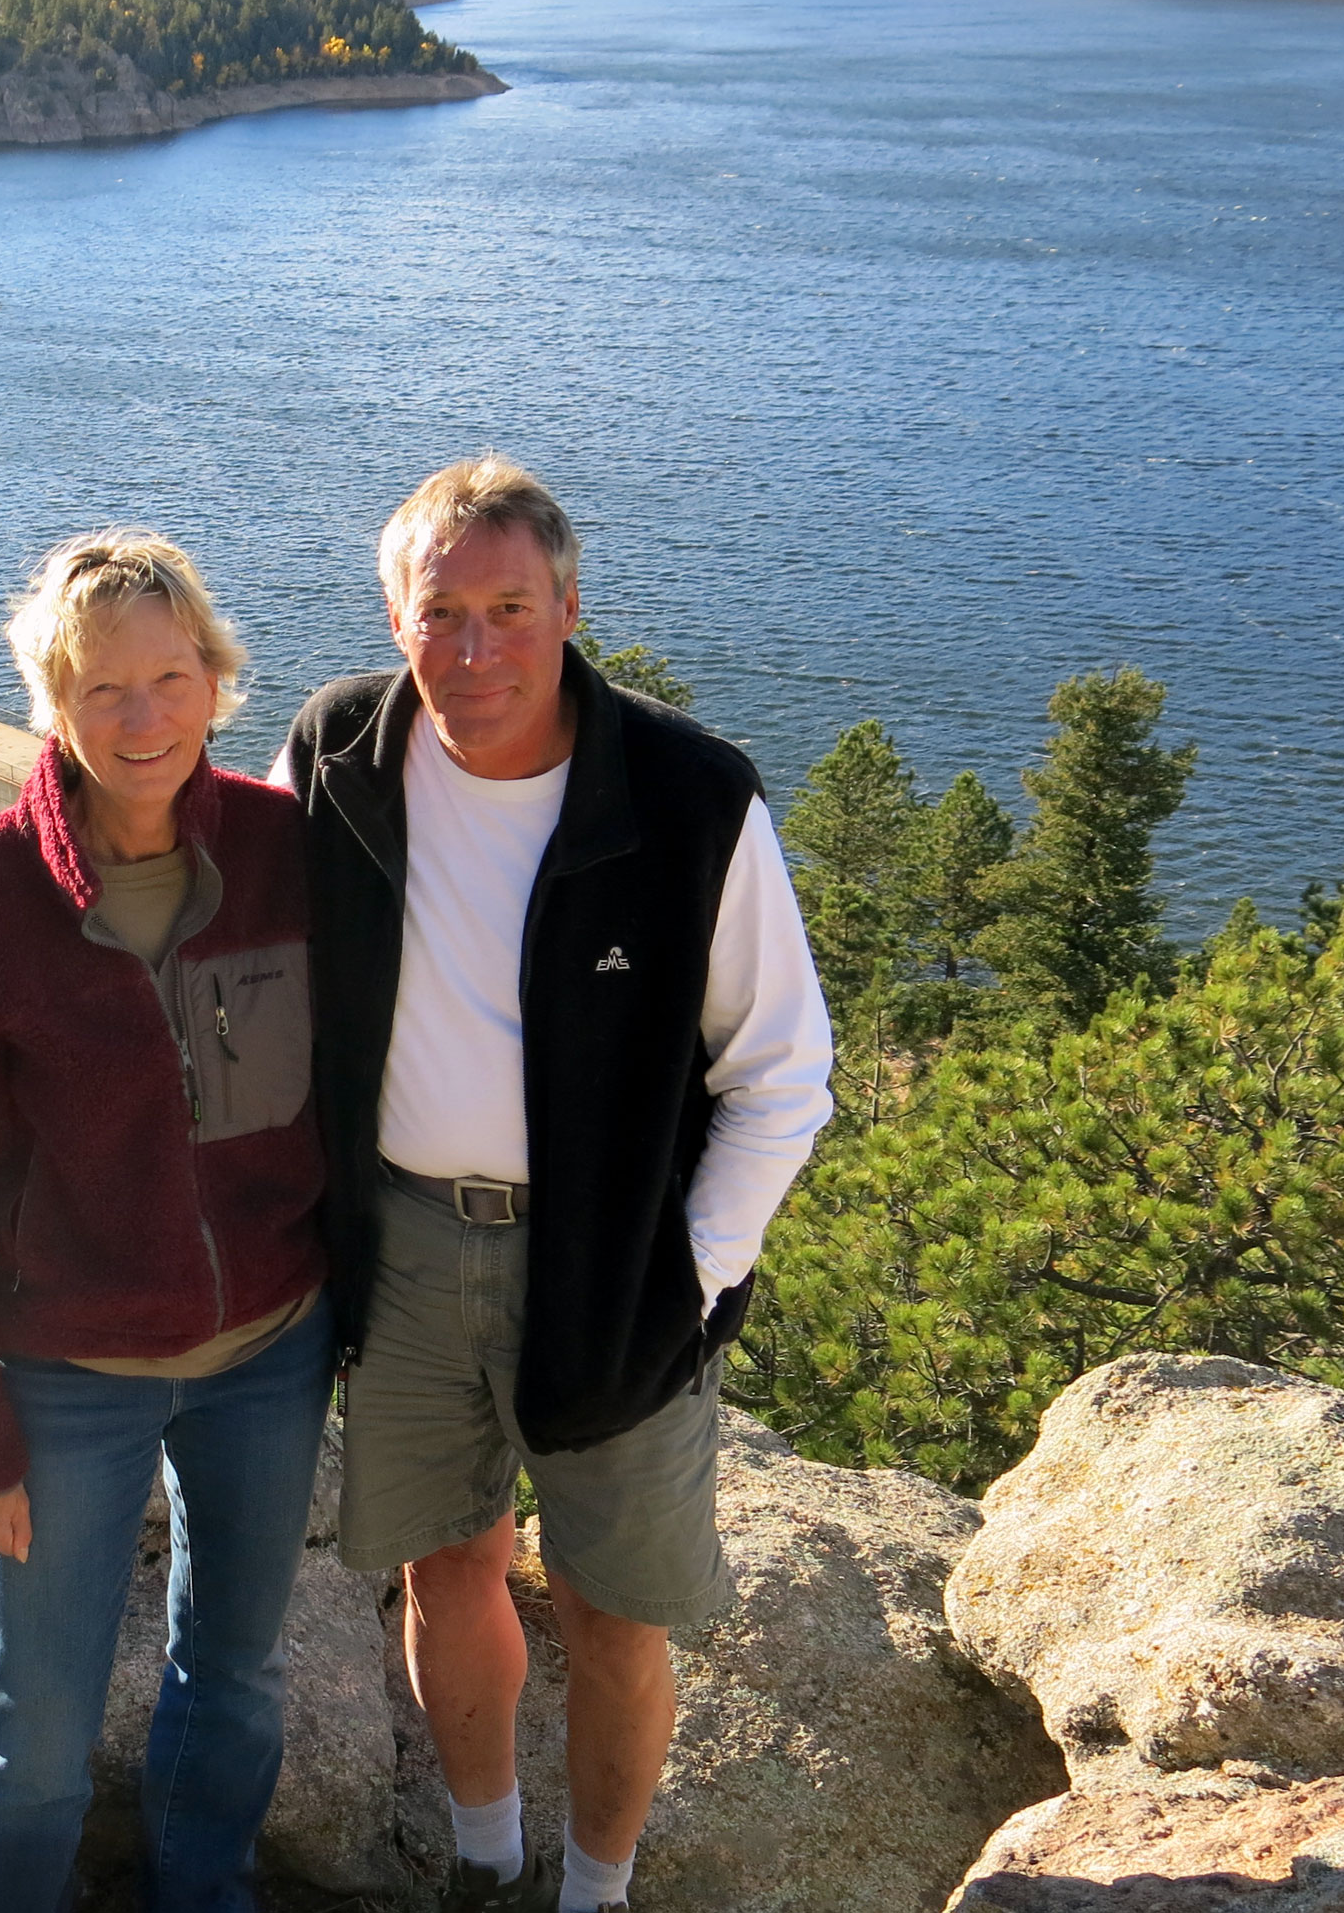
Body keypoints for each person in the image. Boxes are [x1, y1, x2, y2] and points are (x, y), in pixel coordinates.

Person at [274, 459, 833, 1913]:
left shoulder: (689, 797)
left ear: (570, 608)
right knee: (445, 1572)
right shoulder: (338, 753)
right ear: (393, 617)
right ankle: (484, 1862)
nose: (474, 650)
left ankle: (598, 1892)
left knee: (611, 1608)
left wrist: (691, 1277)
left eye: (509, 609)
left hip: (611, 1265)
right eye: (440, 611)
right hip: (400, 1249)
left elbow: (782, 1073)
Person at [0, 531, 334, 1913]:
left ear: (216, 680)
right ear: (51, 704)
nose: (143, 720)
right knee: (35, 1731)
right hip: (66, 1380)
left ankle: (204, 1896)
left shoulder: (285, 855)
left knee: (240, 1677)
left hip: (267, 1352)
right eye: (102, 691)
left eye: (171, 677)